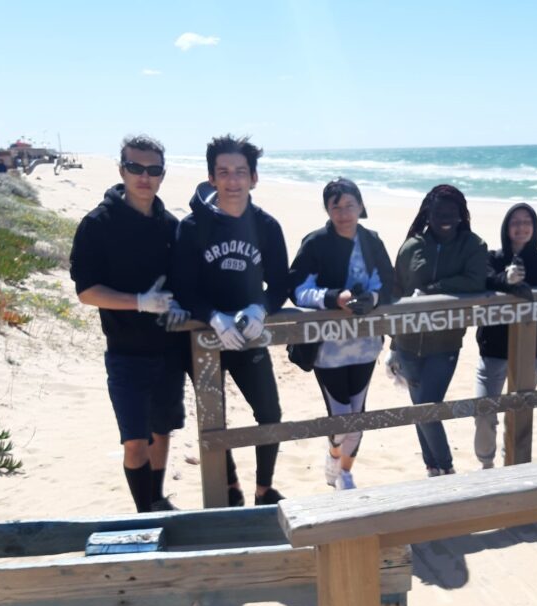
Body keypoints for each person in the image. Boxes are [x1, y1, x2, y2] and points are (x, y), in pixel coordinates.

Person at [69, 134, 188, 513]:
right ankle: (144, 510)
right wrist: (138, 303)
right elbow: (86, 291)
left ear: (162, 175)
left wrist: (182, 305)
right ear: (121, 170)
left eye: (152, 170)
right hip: (125, 352)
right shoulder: (97, 224)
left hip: (170, 349)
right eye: (135, 167)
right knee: (135, 441)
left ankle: (156, 499)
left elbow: (186, 281)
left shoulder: (172, 226)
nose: (144, 177)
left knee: (162, 431)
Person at [170, 134, 289, 506]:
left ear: (254, 178)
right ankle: (232, 486)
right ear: (211, 178)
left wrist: (261, 308)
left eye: (240, 172)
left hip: (250, 336)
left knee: (270, 413)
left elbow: (282, 282)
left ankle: (264, 489)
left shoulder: (267, 226)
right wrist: (211, 316)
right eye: (224, 172)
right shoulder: (192, 227)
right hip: (204, 339)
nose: (232, 180)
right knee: (213, 420)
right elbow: (183, 288)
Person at [287, 178, 395, 490]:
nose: (344, 212)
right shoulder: (316, 242)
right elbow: (298, 290)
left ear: (361, 206)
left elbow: (387, 283)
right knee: (340, 416)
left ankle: (345, 472)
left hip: (365, 344)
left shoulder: (372, 240)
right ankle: (334, 454)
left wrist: (373, 299)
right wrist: (334, 298)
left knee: (357, 418)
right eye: (337, 206)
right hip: (327, 348)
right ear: (327, 209)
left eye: (350, 205)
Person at [390, 185, 487, 476]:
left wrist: (434, 289)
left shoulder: (473, 245)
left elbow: (475, 281)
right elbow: (398, 293)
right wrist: (393, 345)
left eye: (451, 212)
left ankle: (446, 467)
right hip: (407, 343)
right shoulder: (411, 247)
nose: (445, 218)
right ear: (427, 215)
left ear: (461, 215)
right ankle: (433, 468)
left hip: (445, 343)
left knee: (427, 408)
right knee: (421, 410)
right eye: (439, 212)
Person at [474, 203, 537, 468]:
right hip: (493, 348)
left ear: (535, 227)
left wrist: (526, 274)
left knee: (519, 410)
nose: (521, 227)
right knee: (484, 410)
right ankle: (486, 464)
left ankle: (513, 464)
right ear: (506, 228)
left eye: (527, 221)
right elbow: (482, 277)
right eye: (515, 222)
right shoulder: (492, 258)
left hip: (531, 350)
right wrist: (506, 281)